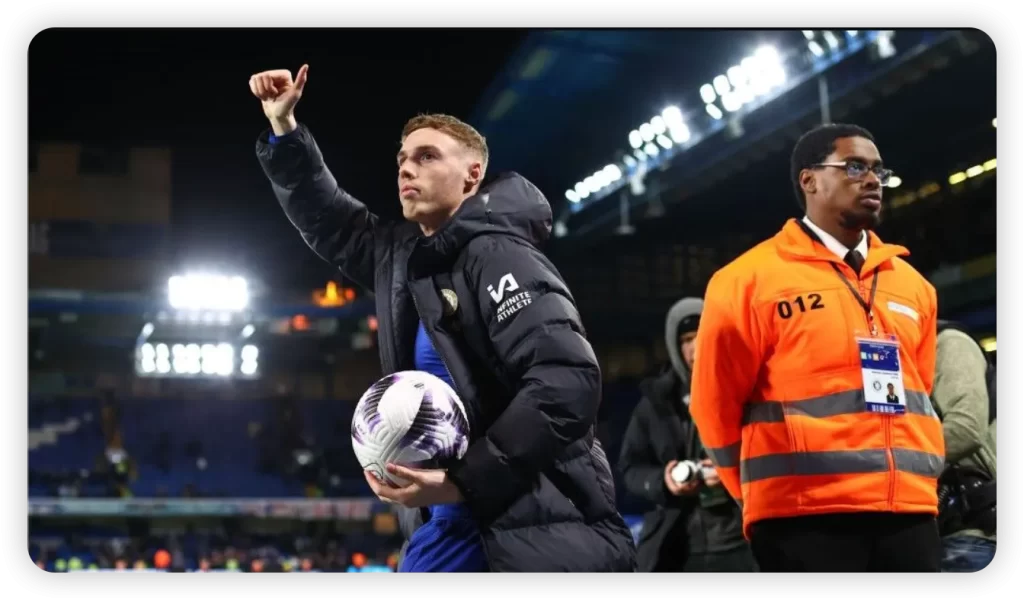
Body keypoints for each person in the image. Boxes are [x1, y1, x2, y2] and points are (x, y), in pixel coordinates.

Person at [248, 65, 636, 573]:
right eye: (403, 158)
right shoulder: (406, 258)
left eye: (427, 157)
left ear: (472, 175)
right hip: (458, 521)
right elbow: (331, 220)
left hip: (523, 526)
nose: (406, 168)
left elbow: (567, 383)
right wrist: (285, 129)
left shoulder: (500, 256)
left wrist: (464, 481)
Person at [689, 123, 945, 573]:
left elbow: (918, 390)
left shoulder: (915, 287)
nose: (872, 180)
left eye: (878, 171)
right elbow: (714, 407)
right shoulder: (745, 282)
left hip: (909, 512)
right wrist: (754, 494)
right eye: (854, 167)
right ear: (809, 180)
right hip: (802, 520)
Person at [618, 297, 754, 573]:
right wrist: (664, 480)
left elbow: (772, 454)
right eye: (686, 339)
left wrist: (730, 469)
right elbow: (630, 468)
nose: (694, 348)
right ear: (674, 345)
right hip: (679, 546)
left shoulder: (745, 391)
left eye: (701, 335)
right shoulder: (655, 403)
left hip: (739, 541)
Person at [931, 324, 997, 572]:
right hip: (944, 532)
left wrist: (899, 462)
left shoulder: (949, 343)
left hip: (971, 532)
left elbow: (965, 428)